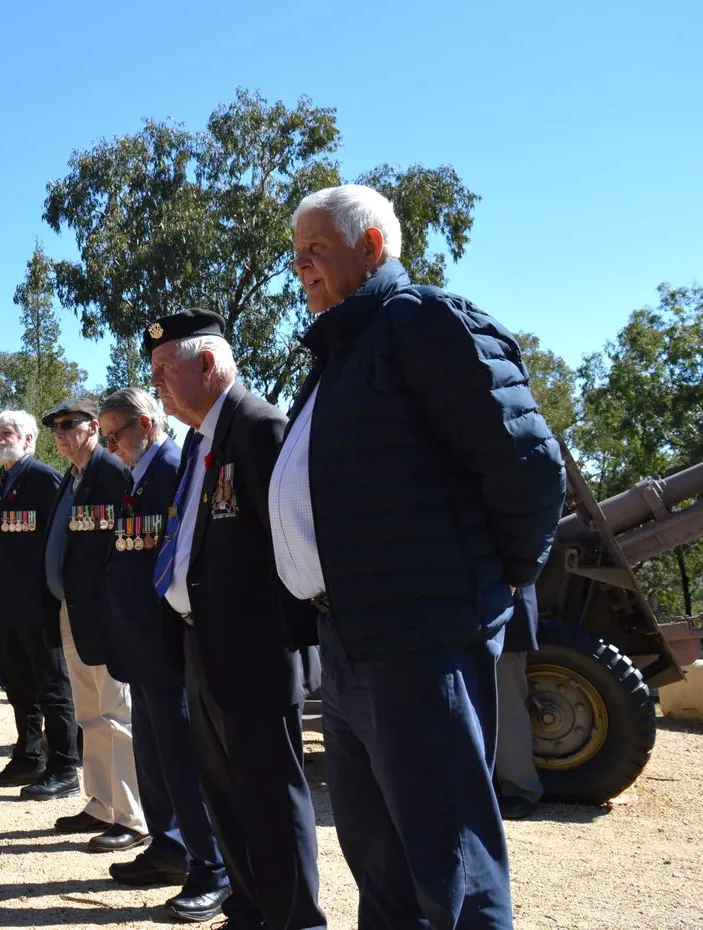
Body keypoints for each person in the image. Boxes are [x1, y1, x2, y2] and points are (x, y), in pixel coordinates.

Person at [272, 183, 566, 929]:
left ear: (371, 246)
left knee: (450, 865)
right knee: (381, 866)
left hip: (420, 641)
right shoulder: (341, 351)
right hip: (348, 640)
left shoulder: (423, 322)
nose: (300, 267)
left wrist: (489, 586)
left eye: (315, 250)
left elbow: (529, 468)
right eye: (296, 254)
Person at [149, 309, 326, 930]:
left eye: (165, 368)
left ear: (208, 363)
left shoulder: (258, 427)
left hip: (254, 651)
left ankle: (295, 922)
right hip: (204, 645)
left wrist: (283, 645)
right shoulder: (199, 440)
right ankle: (249, 913)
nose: (157, 382)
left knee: (271, 800)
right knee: (226, 798)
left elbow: (291, 546)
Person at [98, 387, 229, 922]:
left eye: (115, 435)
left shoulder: (173, 469)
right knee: (153, 758)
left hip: (165, 642)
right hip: (140, 643)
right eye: (106, 439)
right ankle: (169, 847)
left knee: (182, 762)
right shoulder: (139, 474)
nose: (111, 447)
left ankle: (212, 868)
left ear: (146, 425)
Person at [42, 398, 147, 853]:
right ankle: (102, 802)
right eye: (55, 427)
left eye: (69, 424)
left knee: (117, 713)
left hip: (105, 612)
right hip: (73, 609)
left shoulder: (113, 472)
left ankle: (133, 815)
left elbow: (125, 543)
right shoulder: (74, 476)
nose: (60, 433)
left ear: (93, 428)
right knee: (89, 712)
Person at [0, 411, 79, 797]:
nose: (0, 438)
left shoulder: (45, 481)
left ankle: (64, 765)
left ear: (29, 440)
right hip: (5, 607)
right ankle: (28, 756)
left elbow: (63, 541)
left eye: (8, 432)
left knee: (53, 687)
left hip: (40, 604)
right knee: (19, 687)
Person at [496, 584, 543, 820]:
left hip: (503, 611)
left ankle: (520, 789)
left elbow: (526, 564)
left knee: (507, 704)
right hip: (469, 614)